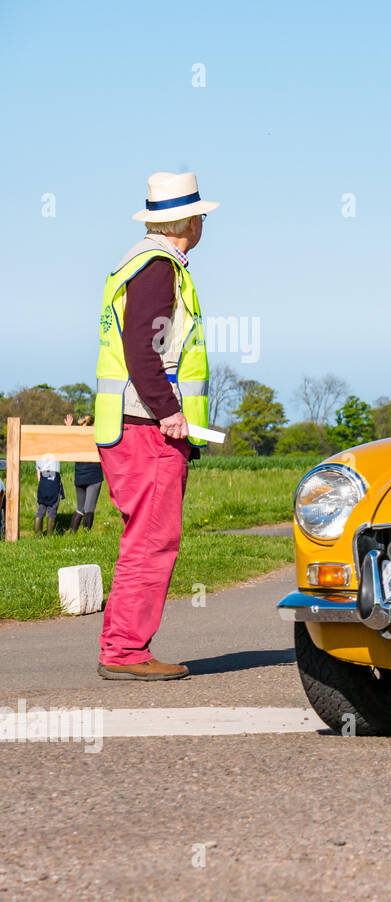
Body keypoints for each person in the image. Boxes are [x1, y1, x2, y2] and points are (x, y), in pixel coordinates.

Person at [92, 171, 217, 682]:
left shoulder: (136, 262)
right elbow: (143, 349)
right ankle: (125, 652)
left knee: (143, 538)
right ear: (187, 220)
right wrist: (170, 411)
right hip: (148, 426)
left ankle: (123, 647)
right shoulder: (159, 267)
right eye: (202, 216)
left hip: (126, 422)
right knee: (151, 540)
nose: (205, 223)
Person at [65, 414, 103, 533]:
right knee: (89, 509)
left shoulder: (78, 437)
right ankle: (85, 536)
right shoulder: (96, 436)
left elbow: (67, 443)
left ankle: (72, 533)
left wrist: (69, 428)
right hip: (93, 476)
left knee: (80, 509)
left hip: (79, 475)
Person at [35, 457, 64, 533]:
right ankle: (50, 536)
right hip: (53, 482)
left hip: (43, 482)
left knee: (41, 509)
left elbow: (38, 474)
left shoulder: (39, 454)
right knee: (52, 510)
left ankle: (37, 535)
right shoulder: (56, 453)